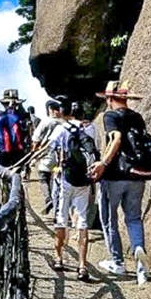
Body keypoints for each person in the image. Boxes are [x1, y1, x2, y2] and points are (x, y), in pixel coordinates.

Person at [88, 81, 151, 285]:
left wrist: (103, 163)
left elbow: (116, 139)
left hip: (114, 176)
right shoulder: (137, 117)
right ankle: (139, 256)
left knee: (109, 219)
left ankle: (118, 263)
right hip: (137, 175)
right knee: (133, 218)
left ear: (109, 98)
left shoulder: (111, 116)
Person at [49, 101, 99, 281]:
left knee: (61, 218)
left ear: (65, 112)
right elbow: (95, 151)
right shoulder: (90, 129)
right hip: (84, 180)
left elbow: (51, 148)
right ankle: (82, 266)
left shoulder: (61, 129)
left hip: (66, 178)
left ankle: (58, 258)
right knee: (82, 221)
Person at [30, 99, 64, 214]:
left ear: (49, 109)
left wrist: (34, 152)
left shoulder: (46, 122)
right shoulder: (63, 122)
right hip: (62, 155)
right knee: (58, 178)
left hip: (47, 154)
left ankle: (48, 198)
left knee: (43, 177)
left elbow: (36, 138)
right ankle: (59, 204)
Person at [0, 89, 30, 167]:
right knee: (18, 168)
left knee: (4, 169)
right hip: (17, 150)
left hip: (6, 150)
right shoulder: (22, 116)